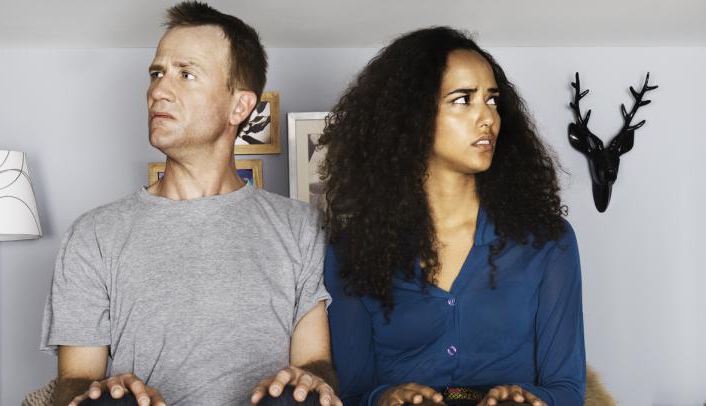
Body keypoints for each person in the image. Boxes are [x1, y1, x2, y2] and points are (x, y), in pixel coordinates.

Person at [39, 3, 338, 406]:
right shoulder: (94, 234)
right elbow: (74, 380)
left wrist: (310, 380)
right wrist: (99, 392)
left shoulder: (300, 226)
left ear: (240, 106)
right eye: (157, 73)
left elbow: (315, 360)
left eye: (186, 73)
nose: (158, 90)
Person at [320, 27, 586, 406]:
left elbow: (567, 389)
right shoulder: (353, 250)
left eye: (492, 101)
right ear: (412, 118)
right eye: (463, 99)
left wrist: (529, 400)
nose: (487, 119)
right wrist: (386, 398)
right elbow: (351, 392)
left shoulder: (548, 241)